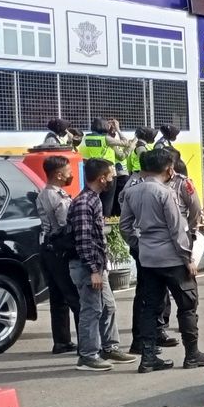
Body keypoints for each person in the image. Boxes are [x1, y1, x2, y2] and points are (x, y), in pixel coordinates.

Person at [120, 148, 204, 372]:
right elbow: (177, 228)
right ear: (169, 169)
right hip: (172, 258)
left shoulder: (132, 191)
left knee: (150, 307)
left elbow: (125, 226)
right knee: (187, 304)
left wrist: (139, 244)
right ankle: (192, 354)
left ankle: (148, 357)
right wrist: (187, 258)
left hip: (148, 258)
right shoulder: (166, 192)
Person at [67, 159, 137, 372]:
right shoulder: (83, 203)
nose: (112, 179)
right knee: (92, 309)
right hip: (87, 267)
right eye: (110, 175)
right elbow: (84, 240)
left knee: (108, 306)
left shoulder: (94, 199)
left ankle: (109, 347)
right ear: (100, 178)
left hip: (97, 267)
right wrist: (94, 270)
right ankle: (88, 356)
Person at [36, 155, 79, 354]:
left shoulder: (43, 194)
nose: (71, 174)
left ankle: (61, 341)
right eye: (69, 172)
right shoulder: (58, 197)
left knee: (58, 297)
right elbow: (65, 225)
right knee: (75, 297)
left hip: (47, 249)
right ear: (59, 175)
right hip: (59, 250)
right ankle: (87, 342)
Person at [79, 118, 122, 217]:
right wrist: (118, 130)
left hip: (90, 173)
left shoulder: (85, 139)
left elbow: (81, 154)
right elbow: (122, 152)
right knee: (107, 202)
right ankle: (104, 224)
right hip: (108, 173)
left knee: (91, 199)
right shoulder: (107, 140)